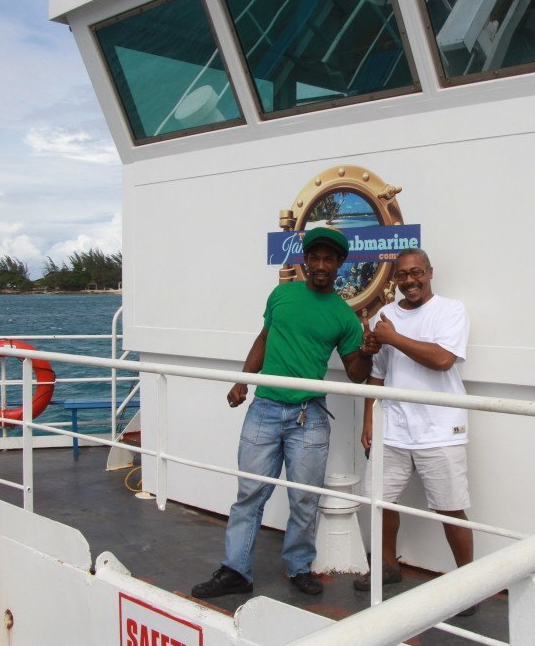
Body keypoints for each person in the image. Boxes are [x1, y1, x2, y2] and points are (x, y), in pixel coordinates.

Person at [190, 226, 380, 599]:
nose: (321, 264)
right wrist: (242, 380)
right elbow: (264, 338)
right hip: (263, 408)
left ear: (340, 264)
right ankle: (235, 571)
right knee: (249, 494)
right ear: (305, 260)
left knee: (304, 499)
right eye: (315, 257)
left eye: (329, 259)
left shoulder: (344, 316)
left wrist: (369, 352)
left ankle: (298, 568)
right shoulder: (281, 294)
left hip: (309, 418)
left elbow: (356, 375)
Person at [354, 248, 477, 615]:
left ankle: (468, 584)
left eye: (416, 273)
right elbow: (377, 373)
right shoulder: (384, 316)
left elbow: (443, 360)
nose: (410, 281)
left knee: (450, 507)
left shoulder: (451, 310)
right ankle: (388, 566)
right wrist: (368, 420)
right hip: (393, 424)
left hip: (440, 427)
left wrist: (392, 338)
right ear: (395, 279)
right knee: (380, 499)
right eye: (403, 275)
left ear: (429, 273)